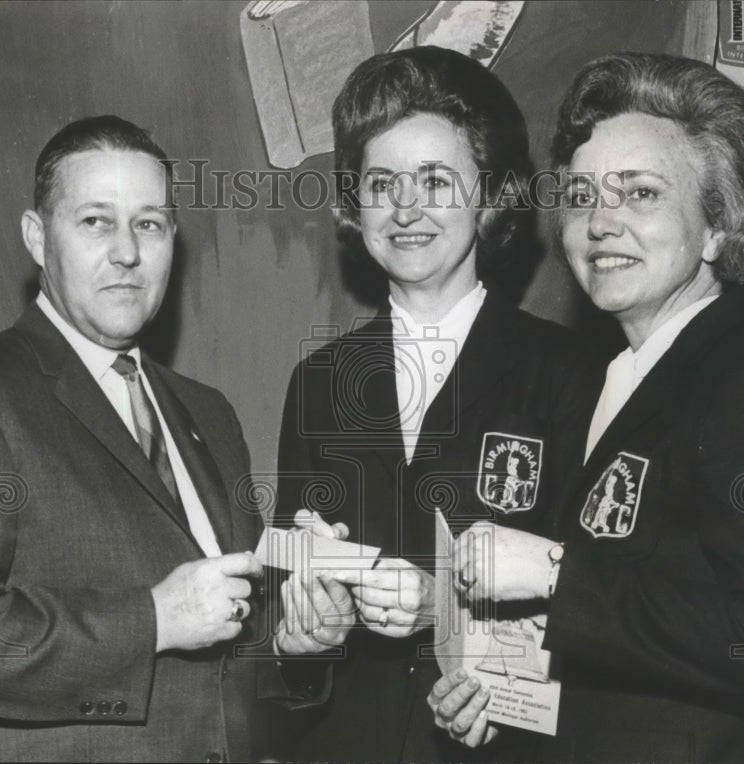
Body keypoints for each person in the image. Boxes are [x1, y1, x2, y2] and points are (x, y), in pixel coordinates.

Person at [429, 52, 744, 762]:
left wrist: (556, 572)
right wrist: (513, 690)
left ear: (721, 227)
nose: (601, 223)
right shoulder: (629, 378)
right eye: (585, 195)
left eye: (642, 194)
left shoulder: (740, 382)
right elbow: (653, 629)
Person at [0, 115, 322, 762]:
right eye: (95, 221)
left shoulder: (209, 414)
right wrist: (152, 620)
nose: (127, 251)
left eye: (149, 223)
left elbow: (227, 653)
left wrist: (295, 640)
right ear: (37, 237)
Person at [273, 46, 593, 762]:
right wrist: (303, 632)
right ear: (354, 204)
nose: (406, 208)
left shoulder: (570, 371)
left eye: (436, 180)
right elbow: (287, 617)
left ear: (492, 195)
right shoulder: (321, 380)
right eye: (382, 182)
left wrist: (450, 615)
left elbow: (601, 602)